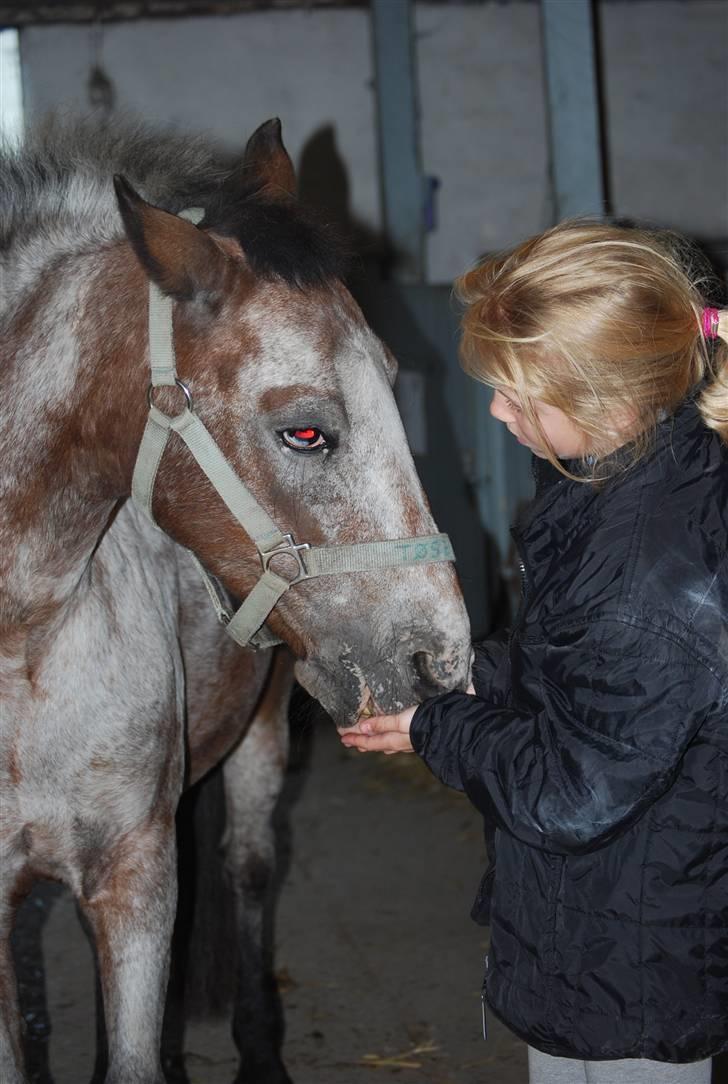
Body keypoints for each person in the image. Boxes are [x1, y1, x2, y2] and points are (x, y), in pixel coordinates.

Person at [340, 220, 728, 1084]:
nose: (496, 411)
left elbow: (570, 793)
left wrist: (440, 729)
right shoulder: (627, 479)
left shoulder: (650, 574)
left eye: (519, 393)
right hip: (593, 918)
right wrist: (470, 674)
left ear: (606, 397)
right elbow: (581, 666)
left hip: (635, 956)